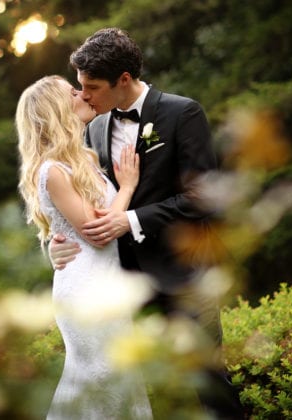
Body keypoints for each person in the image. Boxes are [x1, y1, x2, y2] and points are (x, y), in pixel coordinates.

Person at [49, 27, 245, 418]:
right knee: (136, 387)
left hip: (182, 275)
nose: (82, 96)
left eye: (92, 86)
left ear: (123, 80)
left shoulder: (182, 112)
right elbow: (83, 201)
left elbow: (204, 197)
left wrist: (132, 220)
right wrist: (58, 241)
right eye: (80, 85)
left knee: (206, 380)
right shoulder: (95, 126)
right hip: (118, 281)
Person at [17, 75, 153, 419]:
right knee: (100, 381)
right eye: (72, 91)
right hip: (83, 292)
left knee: (120, 380)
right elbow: (97, 232)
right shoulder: (52, 171)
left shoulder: (86, 160)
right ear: (57, 109)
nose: (81, 94)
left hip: (106, 285)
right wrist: (127, 187)